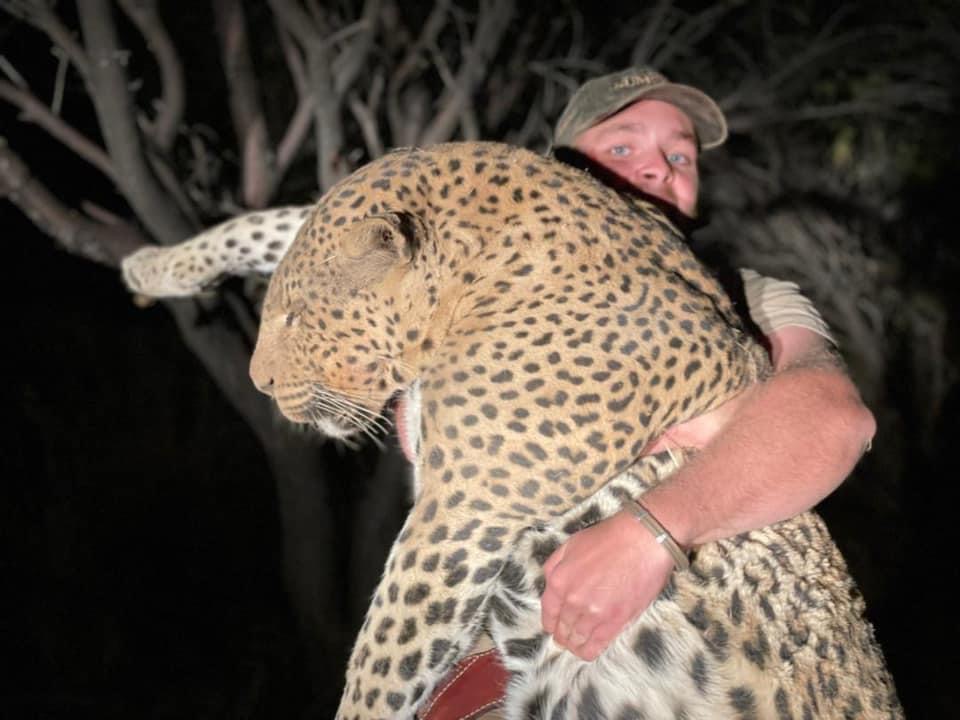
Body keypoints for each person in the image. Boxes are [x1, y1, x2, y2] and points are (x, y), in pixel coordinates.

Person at [418, 67, 876, 720]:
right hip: (506, 654)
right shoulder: (489, 276)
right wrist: (736, 419)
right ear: (560, 172)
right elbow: (423, 424)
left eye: (680, 156)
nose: (659, 167)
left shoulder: (746, 296)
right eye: (622, 146)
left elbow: (832, 419)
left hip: (702, 662)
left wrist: (651, 533)